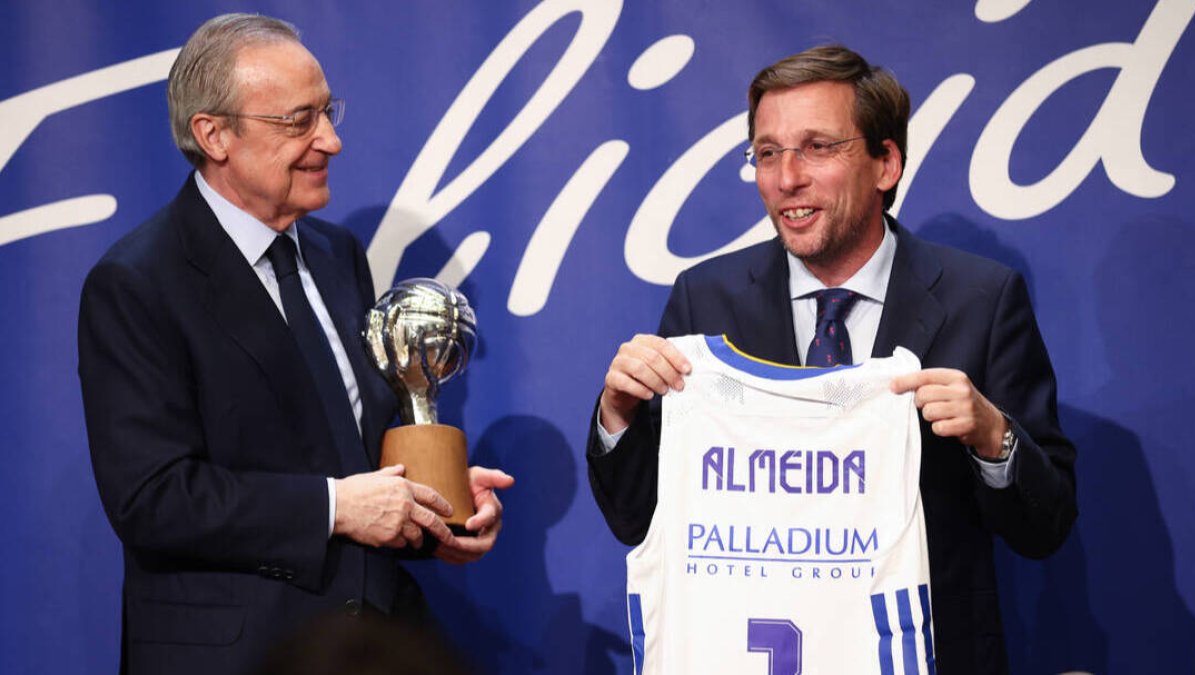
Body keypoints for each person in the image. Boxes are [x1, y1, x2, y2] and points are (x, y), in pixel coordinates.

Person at [587, 45, 1076, 674]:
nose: (787, 177)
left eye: (817, 147)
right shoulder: (705, 298)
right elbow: (638, 519)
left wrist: (993, 436)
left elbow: (1047, 527)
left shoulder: (981, 300)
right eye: (767, 153)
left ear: (885, 162)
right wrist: (618, 414)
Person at [78, 14, 512, 675]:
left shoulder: (338, 256)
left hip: (370, 647)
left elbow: (351, 456)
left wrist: (432, 509)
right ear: (214, 134)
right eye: (299, 120)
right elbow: (153, 498)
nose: (331, 140)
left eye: (329, 111)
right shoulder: (137, 282)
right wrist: (337, 506)